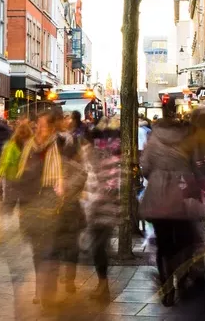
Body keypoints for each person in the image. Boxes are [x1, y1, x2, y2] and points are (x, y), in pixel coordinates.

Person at [138, 118, 196, 306]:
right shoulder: (186, 139)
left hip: (158, 197)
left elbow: (145, 168)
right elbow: (195, 166)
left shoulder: (153, 140)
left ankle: (167, 289)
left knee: (163, 245)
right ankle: (182, 280)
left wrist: (157, 176)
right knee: (183, 241)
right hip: (182, 195)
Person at [15, 112, 64, 310]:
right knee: (38, 250)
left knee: (50, 250)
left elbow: (73, 170)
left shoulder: (61, 144)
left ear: (52, 128)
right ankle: (40, 287)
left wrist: (62, 192)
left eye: (43, 127)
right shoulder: (29, 146)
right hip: (32, 202)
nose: (39, 130)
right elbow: (20, 174)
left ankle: (48, 294)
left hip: (53, 201)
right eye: (37, 126)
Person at [85, 117, 122, 300]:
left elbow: (109, 184)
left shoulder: (99, 156)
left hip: (101, 208)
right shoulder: (111, 156)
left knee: (98, 247)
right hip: (101, 208)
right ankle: (102, 283)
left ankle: (103, 284)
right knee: (99, 247)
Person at [52, 129, 88, 295]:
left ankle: (65, 279)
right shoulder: (75, 168)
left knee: (62, 247)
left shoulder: (53, 168)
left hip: (63, 212)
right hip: (68, 212)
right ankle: (67, 280)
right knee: (69, 248)